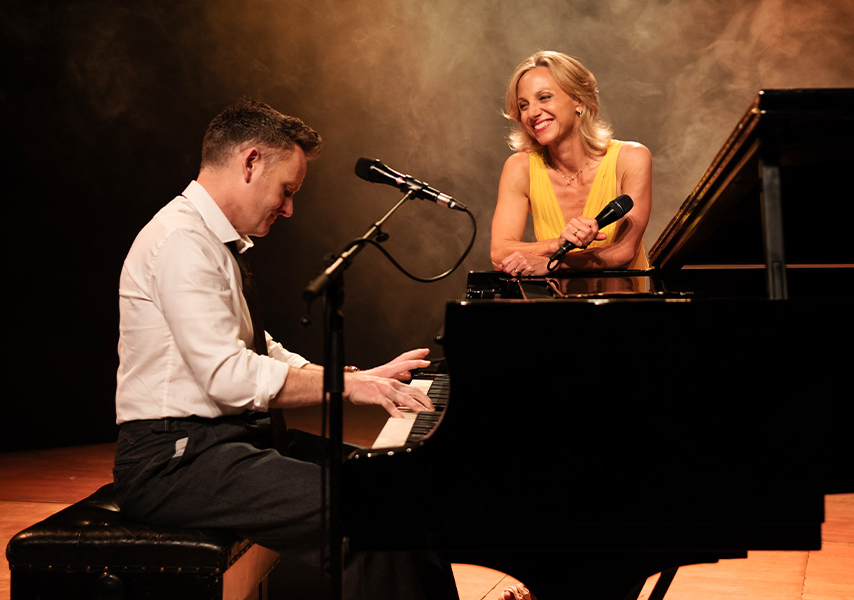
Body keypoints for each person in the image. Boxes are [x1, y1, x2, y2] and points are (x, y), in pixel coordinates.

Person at [112, 98, 459, 599]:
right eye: (287, 190)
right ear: (251, 161)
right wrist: (345, 385)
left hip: (224, 444)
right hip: (174, 460)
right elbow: (228, 376)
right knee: (363, 516)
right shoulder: (181, 241)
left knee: (393, 490)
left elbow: (259, 349)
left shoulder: (209, 239)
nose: (290, 208)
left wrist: (360, 380)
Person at [491, 51, 653, 277]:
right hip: (562, 306)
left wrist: (554, 263)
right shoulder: (519, 167)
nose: (533, 113)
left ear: (578, 100)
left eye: (544, 97)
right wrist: (556, 245)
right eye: (524, 105)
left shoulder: (632, 157)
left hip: (629, 303)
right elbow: (500, 252)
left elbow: (624, 251)